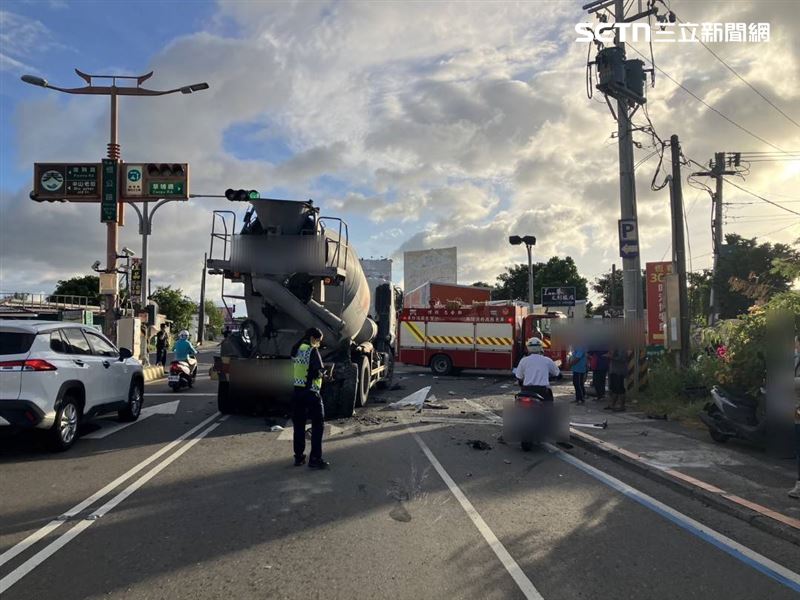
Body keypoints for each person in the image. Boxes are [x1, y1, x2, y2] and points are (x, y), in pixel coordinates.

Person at [291, 327, 329, 469]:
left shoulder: (296, 349)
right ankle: (315, 459)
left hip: (297, 392)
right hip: (311, 393)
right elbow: (318, 371)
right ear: (313, 338)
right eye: (318, 340)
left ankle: (299, 457)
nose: (318, 343)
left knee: (299, 426)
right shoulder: (312, 351)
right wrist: (325, 375)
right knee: (318, 425)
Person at [605, 348, 628, 412]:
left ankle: (622, 406)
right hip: (613, 370)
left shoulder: (621, 348)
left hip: (619, 371)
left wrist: (611, 357)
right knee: (614, 389)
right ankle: (612, 405)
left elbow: (622, 358)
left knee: (620, 389)